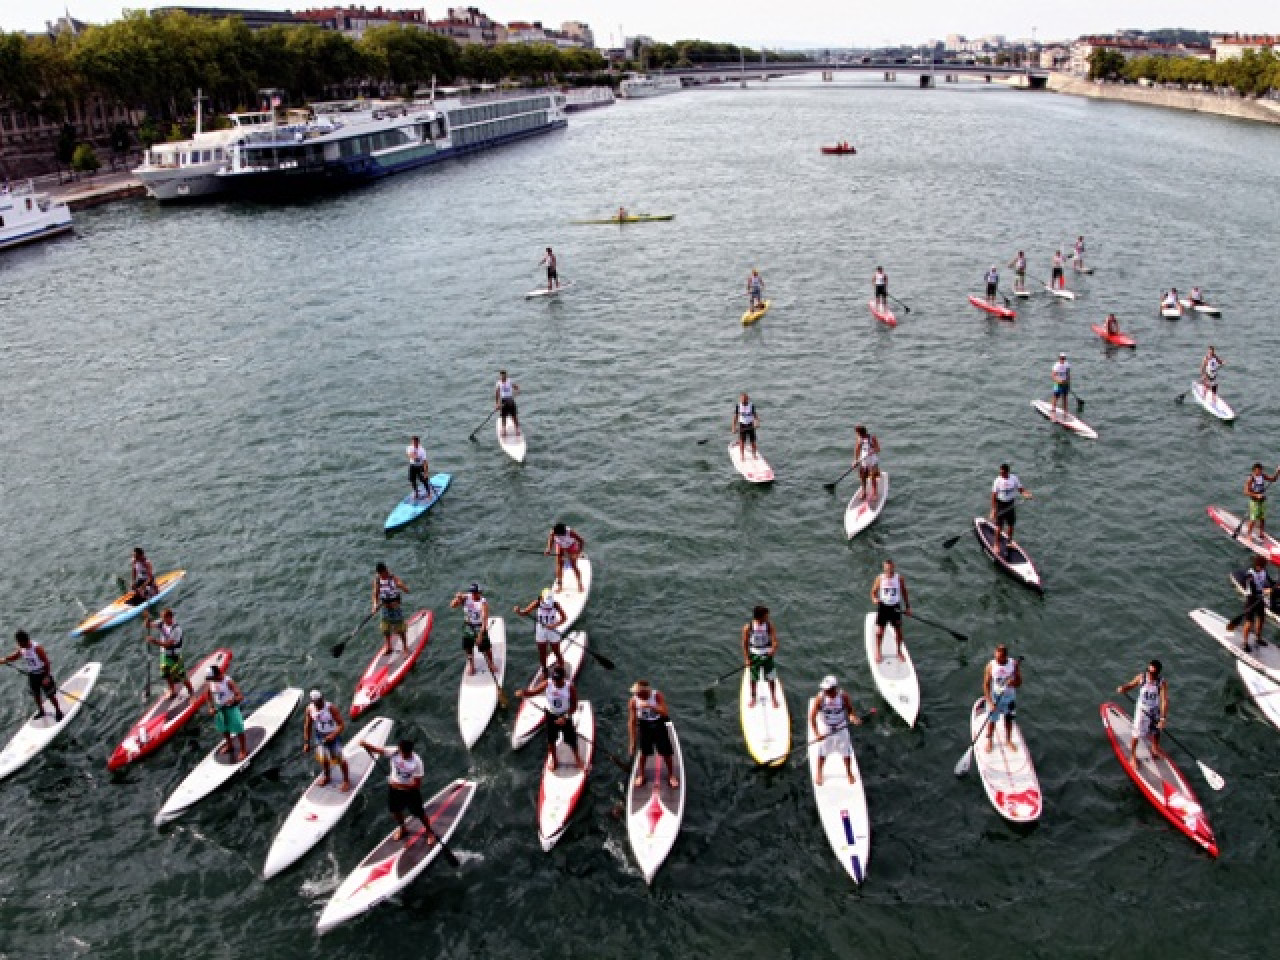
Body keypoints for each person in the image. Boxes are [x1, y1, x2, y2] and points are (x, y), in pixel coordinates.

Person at [362, 738, 429, 843]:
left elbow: (417, 785)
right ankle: (403, 829)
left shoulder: (417, 762)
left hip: (410, 791)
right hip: (394, 790)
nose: (402, 755)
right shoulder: (394, 752)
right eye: (401, 752)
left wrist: (397, 784)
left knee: (420, 813)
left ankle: (429, 832)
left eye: (404, 754)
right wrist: (365, 744)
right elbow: (377, 750)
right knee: (396, 811)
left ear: (410, 752)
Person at [518, 663, 582, 772]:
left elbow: (574, 706)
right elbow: (534, 692)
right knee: (551, 740)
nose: (555, 682)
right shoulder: (548, 683)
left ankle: (577, 759)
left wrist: (565, 717)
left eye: (558, 680)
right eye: (554, 679)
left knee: (571, 740)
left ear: (563, 678)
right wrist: (523, 693)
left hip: (564, 716)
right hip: (551, 716)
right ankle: (555, 760)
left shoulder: (570, 687)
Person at [809, 675, 861, 786]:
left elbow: (850, 710)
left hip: (841, 727)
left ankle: (849, 772)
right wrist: (817, 734)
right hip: (826, 727)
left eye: (827, 689)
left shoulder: (843, 696)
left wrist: (852, 717)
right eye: (824, 689)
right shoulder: (820, 698)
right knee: (822, 753)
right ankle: (819, 772)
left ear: (834, 688)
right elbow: (812, 717)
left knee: (846, 753)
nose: (825, 691)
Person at [1, 630, 63, 722]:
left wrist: (46, 677)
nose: (18, 644)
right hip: (33, 675)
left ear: (25, 641)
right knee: (36, 695)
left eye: (19, 642)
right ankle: (42, 711)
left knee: (50, 695)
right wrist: (5, 659)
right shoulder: (22, 648)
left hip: (43, 673)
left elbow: (46, 662)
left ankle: (58, 711)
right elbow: (15, 656)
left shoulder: (37, 648)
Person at [628, 679, 678, 789]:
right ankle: (641, 775)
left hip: (658, 724)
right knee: (643, 753)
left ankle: (671, 775)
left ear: (645, 692)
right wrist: (632, 742)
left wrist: (650, 706)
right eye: (635, 693)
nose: (636, 695)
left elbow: (665, 712)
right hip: (644, 726)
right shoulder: (633, 701)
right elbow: (632, 722)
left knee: (666, 753)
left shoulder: (657, 696)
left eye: (638, 693)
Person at [1117, 660, 1168, 765]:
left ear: (1158, 673)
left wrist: (1163, 719)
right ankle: (1133, 756)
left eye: (1153, 673)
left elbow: (1164, 700)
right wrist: (1123, 688)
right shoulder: (1142, 677)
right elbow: (1131, 685)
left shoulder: (1162, 683)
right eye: (1149, 671)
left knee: (1157, 731)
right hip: (1142, 710)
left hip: (1154, 709)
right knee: (1136, 733)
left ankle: (1154, 749)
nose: (1150, 674)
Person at [303, 689, 350, 791]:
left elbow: (341, 725)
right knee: (323, 758)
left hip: (333, 737)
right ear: (312, 702)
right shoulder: (309, 709)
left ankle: (346, 780)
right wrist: (306, 742)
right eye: (317, 701)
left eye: (320, 700)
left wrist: (333, 734)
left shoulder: (331, 708)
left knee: (339, 759)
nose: (320, 702)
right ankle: (327, 777)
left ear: (322, 698)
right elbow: (308, 726)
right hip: (320, 736)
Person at [142, 608, 195, 699]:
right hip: (164, 655)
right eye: (161, 618)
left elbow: (167, 645)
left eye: (164, 618)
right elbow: (147, 625)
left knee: (181, 675)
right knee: (166, 673)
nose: (162, 620)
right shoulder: (162, 623)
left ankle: (192, 693)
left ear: (170, 617)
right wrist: (147, 618)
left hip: (174, 656)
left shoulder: (176, 629)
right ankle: (172, 691)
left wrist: (154, 641)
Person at [514, 587, 567, 669]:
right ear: (541, 597)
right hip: (541, 632)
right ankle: (544, 670)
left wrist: (554, 625)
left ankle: (561, 666)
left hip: (553, 631)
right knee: (542, 653)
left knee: (556, 651)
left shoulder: (555, 604)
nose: (548, 604)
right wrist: (518, 611)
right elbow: (524, 613)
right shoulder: (536, 603)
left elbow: (564, 618)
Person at [450, 582, 496, 677]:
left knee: (486, 647)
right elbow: (452, 605)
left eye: (475, 592)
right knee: (468, 648)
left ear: (480, 592)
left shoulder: (483, 603)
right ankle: (471, 665)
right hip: (468, 626)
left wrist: (480, 635)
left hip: (479, 626)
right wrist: (457, 598)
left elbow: (484, 621)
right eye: (472, 592)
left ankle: (491, 664)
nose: (473, 594)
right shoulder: (466, 597)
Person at [868, 560, 910, 663]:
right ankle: (878, 651)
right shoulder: (880, 578)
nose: (889, 571)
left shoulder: (899, 578)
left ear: (893, 567)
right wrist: (874, 599)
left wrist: (908, 607)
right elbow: (873, 592)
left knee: (899, 632)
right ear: (884, 568)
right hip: (883, 607)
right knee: (879, 632)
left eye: (890, 569)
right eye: (887, 569)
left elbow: (904, 592)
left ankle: (899, 652)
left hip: (895, 607)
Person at [982, 644, 1021, 753]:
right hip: (995, 697)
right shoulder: (990, 665)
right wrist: (990, 702)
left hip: (1009, 698)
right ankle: (989, 740)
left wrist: (1013, 682)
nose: (997, 659)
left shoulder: (1013, 664)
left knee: (1008, 719)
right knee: (992, 720)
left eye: (999, 658)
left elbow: (1019, 683)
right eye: (996, 657)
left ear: (1005, 657)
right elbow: (985, 685)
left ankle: (1008, 740)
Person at [990, 463, 1032, 559]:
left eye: (1003, 473)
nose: (1001, 474)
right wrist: (993, 510)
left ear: (1008, 472)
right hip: (1001, 504)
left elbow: (1021, 490)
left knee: (1011, 525)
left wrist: (1026, 495)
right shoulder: (997, 481)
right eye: (1000, 472)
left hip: (1010, 504)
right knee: (999, 527)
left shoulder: (1014, 478)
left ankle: (1009, 542)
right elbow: (993, 496)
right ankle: (996, 545)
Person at [740, 606, 780, 709]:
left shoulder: (769, 625)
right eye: (766, 616)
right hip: (754, 655)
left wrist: (773, 648)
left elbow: (775, 640)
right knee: (753, 679)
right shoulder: (748, 627)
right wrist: (747, 659)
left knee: (771, 678)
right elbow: (744, 644)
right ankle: (753, 698)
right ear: (760, 617)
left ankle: (773, 697)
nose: (768, 618)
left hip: (767, 654)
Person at [207, 664, 247, 762]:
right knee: (224, 728)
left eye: (212, 678)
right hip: (220, 709)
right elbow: (208, 695)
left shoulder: (228, 682)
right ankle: (230, 745)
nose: (211, 680)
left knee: (239, 728)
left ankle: (243, 750)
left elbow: (240, 696)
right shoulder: (211, 682)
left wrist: (233, 700)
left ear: (218, 674)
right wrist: (211, 707)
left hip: (231, 709)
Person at [1237, 555, 1273, 652]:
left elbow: (1270, 582)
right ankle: (1244, 643)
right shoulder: (1250, 574)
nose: (1265, 568)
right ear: (1258, 566)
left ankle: (1258, 638)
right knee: (1249, 622)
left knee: (1261, 618)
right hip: (1251, 599)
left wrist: (1274, 587)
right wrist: (1265, 591)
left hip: (1260, 599)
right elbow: (1252, 590)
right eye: (1263, 566)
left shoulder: (1263, 571)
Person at [372, 563, 409, 657]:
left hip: (395, 608)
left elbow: (406, 590)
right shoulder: (377, 580)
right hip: (385, 608)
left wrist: (401, 586)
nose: (383, 575)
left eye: (384, 573)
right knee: (385, 629)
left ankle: (405, 648)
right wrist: (375, 605)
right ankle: (389, 647)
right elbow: (375, 594)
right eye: (380, 574)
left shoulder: (393, 578)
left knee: (400, 630)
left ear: (386, 570)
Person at [1244, 462, 1280, 542]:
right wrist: (1256, 495)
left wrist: (1277, 472)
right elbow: (1246, 492)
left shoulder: (1263, 476)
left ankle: (1261, 533)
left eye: (1260, 470)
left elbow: (1273, 479)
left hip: (1263, 500)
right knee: (1253, 519)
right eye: (1258, 471)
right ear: (1254, 471)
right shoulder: (1251, 479)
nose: (1260, 472)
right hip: (1254, 502)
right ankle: (1248, 535)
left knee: (1262, 518)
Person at [544, 523, 586, 592]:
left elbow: (581, 541)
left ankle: (580, 584)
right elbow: (551, 538)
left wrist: (579, 553)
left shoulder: (570, 532)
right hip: (560, 545)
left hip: (571, 546)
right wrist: (548, 549)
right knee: (559, 565)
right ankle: (560, 586)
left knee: (573, 566)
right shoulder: (553, 532)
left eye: (558, 535)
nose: (555, 535)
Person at [853, 424, 881, 502]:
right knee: (863, 478)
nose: (856, 434)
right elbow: (857, 450)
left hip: (872, 462)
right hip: (863, 461)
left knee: (873, 478)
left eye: (857, 432)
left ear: (860, 432)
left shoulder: (872, 438)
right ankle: (864, 492)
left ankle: (875, 493)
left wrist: (872, 451)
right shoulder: (859, 439)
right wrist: (855, 460)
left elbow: (878, 448)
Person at [732, 391, 761, 459]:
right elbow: (735, 417)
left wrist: (757, 422)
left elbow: (755, 414)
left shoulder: (751, 406)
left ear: (747, 399)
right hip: (742, 425)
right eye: (742, 399)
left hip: (750, 425)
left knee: (753, 441)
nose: (743, 401)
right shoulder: (738, 406)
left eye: (744, 399)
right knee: (742, 441)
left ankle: (754, 455)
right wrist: (733, 427)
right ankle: (742, 456)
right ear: (740, 399)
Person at [494, 371, 520, 439]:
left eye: (504, 375)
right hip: (503, 401)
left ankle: (517, 429)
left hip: (510, 400)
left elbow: (517, 387)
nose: (503, 377)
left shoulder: (509, 381)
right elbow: (497, 394)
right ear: (500, 376)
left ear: (506, 375)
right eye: (502, 376)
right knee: (503, 416)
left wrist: (516, 393)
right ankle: (504, 430)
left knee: (514, 416)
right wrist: (497, 404)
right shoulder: (498, 383)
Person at [405, 435, 430, 501]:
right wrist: (414, 456)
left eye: (415, 442)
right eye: (413, 442)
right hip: (412, 466)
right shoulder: (409, 447)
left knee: (423, 480)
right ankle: (416, 493)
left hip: (420, 466)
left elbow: (425, 462)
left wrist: (426, 472)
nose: (414, 444)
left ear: (418, 442)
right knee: (412, 480)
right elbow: (408, 454)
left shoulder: (422, 450)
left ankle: (429, 494)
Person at [1050, 351, 1071, 420]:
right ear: (1059, 358)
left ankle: (1065, 412)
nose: (1063, 360)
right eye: (1061, 358)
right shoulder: (1056, 366)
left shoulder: (1067, 365)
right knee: (1056, 397)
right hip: (1058, 383)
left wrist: (1067, 382)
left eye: (1064, 358)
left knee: (1065, 397)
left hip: (1065, 383)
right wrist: (1059, 381)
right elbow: (1053, 376)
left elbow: (1068, 374)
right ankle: (1053, 411)